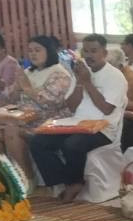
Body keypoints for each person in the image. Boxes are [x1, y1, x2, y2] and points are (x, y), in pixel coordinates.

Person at [28, 33, 127, 201]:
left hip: (103, 128)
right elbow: (72, 106)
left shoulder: (115, 76)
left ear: (104, 53)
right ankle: (62, 182)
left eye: (94, 51)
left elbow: (106, 109)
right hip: (77, 123)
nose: (89, 55)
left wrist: (88, 82)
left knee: (72, 144)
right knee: (38, 141)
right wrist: (80, 82)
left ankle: (75, 183)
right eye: (85, 51)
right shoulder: (81, 72)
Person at [0, 35, 76, 170]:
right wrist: (16, 89)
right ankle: (5, 176)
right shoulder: (28, 72)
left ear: (49, 51)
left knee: (12, 130)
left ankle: (25, 176)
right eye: (30, 51)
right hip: (23, 117)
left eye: (37, 50)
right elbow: (11, 101)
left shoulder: (59, 73)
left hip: (47, 120)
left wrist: (27, 88)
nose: (33, 54)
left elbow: (49, 104)